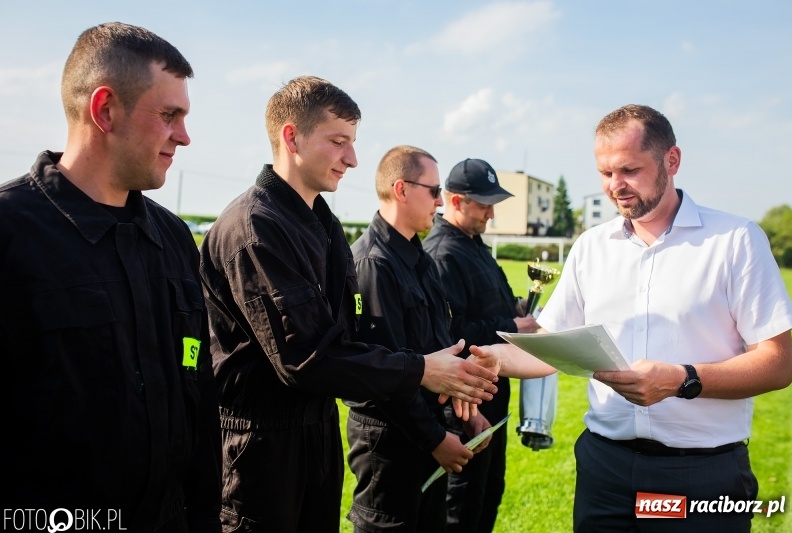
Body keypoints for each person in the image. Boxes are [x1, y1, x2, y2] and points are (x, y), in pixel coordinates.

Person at [198, 77, 499, 533]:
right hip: (261, 446)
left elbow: (355, 341)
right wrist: (420, 370)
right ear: (291, 137)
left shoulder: (324, 226)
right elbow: (306, 357)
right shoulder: (255, 227)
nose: (353, 159)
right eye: (339, 142)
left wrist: (445, 378)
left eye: (353, 143)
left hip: (317, 435)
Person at [533, 104, 792, 531]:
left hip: (698, 479)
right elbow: (547, 342)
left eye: (629, 170)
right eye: (605, 174)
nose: (615, 187)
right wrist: (482, 360)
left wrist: (681, 379)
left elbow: (778, 363)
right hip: (605, 471)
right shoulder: (590, 246)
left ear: (671, 161)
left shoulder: (735, 240)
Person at [0, 22, 222, 532]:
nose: (184, 137)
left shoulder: (172, 240)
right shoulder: (12, 234)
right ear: (104, 110)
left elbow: (198, 398)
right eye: (169, 115)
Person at [345, 146, 483, 532]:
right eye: (433, 190)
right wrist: (436, 439)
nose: (440, 202)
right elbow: (385, 374)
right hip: (389, 444)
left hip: (425, 432)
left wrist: (464, 410)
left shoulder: (418, 258)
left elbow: (441, 347)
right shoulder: (373, 264)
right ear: (401, 189)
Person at [422, 159, 539, 533]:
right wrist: (512, 325)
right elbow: (450, 332)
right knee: (463, 504)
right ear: (455, 201)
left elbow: (487, 306)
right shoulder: (443, 254)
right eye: (483, 203)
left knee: (489, 494)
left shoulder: (474, 244)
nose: (491, 213)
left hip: (492, 394)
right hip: (464, 406)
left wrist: (517, 308)